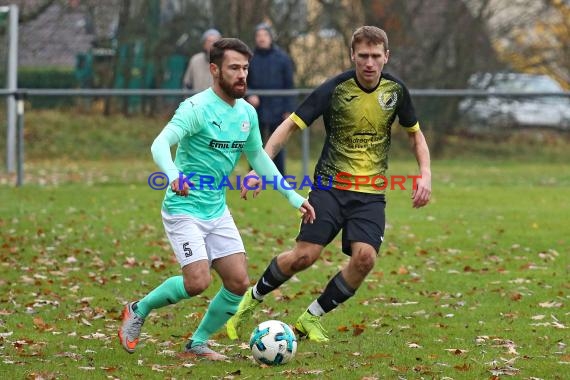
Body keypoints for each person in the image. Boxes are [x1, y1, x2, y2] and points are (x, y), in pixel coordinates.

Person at [226, 26, 432, 342]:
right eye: (363, 55)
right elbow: (289, 127)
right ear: (352, 55)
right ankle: (251, 299)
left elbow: (415, 134)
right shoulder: (334, 88)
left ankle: (312, 317)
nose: (369, 63)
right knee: (304, 256)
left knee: (365, 258)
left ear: (386, 57)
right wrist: (258, 167)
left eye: (376, 56)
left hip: (370, 195)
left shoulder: (396, 91)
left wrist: (425, 173)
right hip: (329, 189)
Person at [118, 37, 315, 360]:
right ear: (214, 70)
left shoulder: (247, 114)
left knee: (238, 283)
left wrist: (292, 197)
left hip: (216, 209)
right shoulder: (196, 108)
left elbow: (260, 158)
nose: (242, 75)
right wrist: (173, 175)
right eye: (234, 68)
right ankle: (138, 309)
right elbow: (159, 144)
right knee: (196, 282)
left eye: (245, 68)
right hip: (183, 208)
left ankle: (197, 342)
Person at [246, 23, 295, 174]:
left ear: (270, 37)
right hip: (256, 109)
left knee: (277, 143)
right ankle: (253, 174)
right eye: (258, 36)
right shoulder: (249, 58)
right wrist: (250, 94)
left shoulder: (283, 58)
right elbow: (243, 82)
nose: (261, 39)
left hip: (278, 107)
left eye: (264, 35)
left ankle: (279, 175)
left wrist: (289, 109)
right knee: (255, 144)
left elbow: (289, 85)